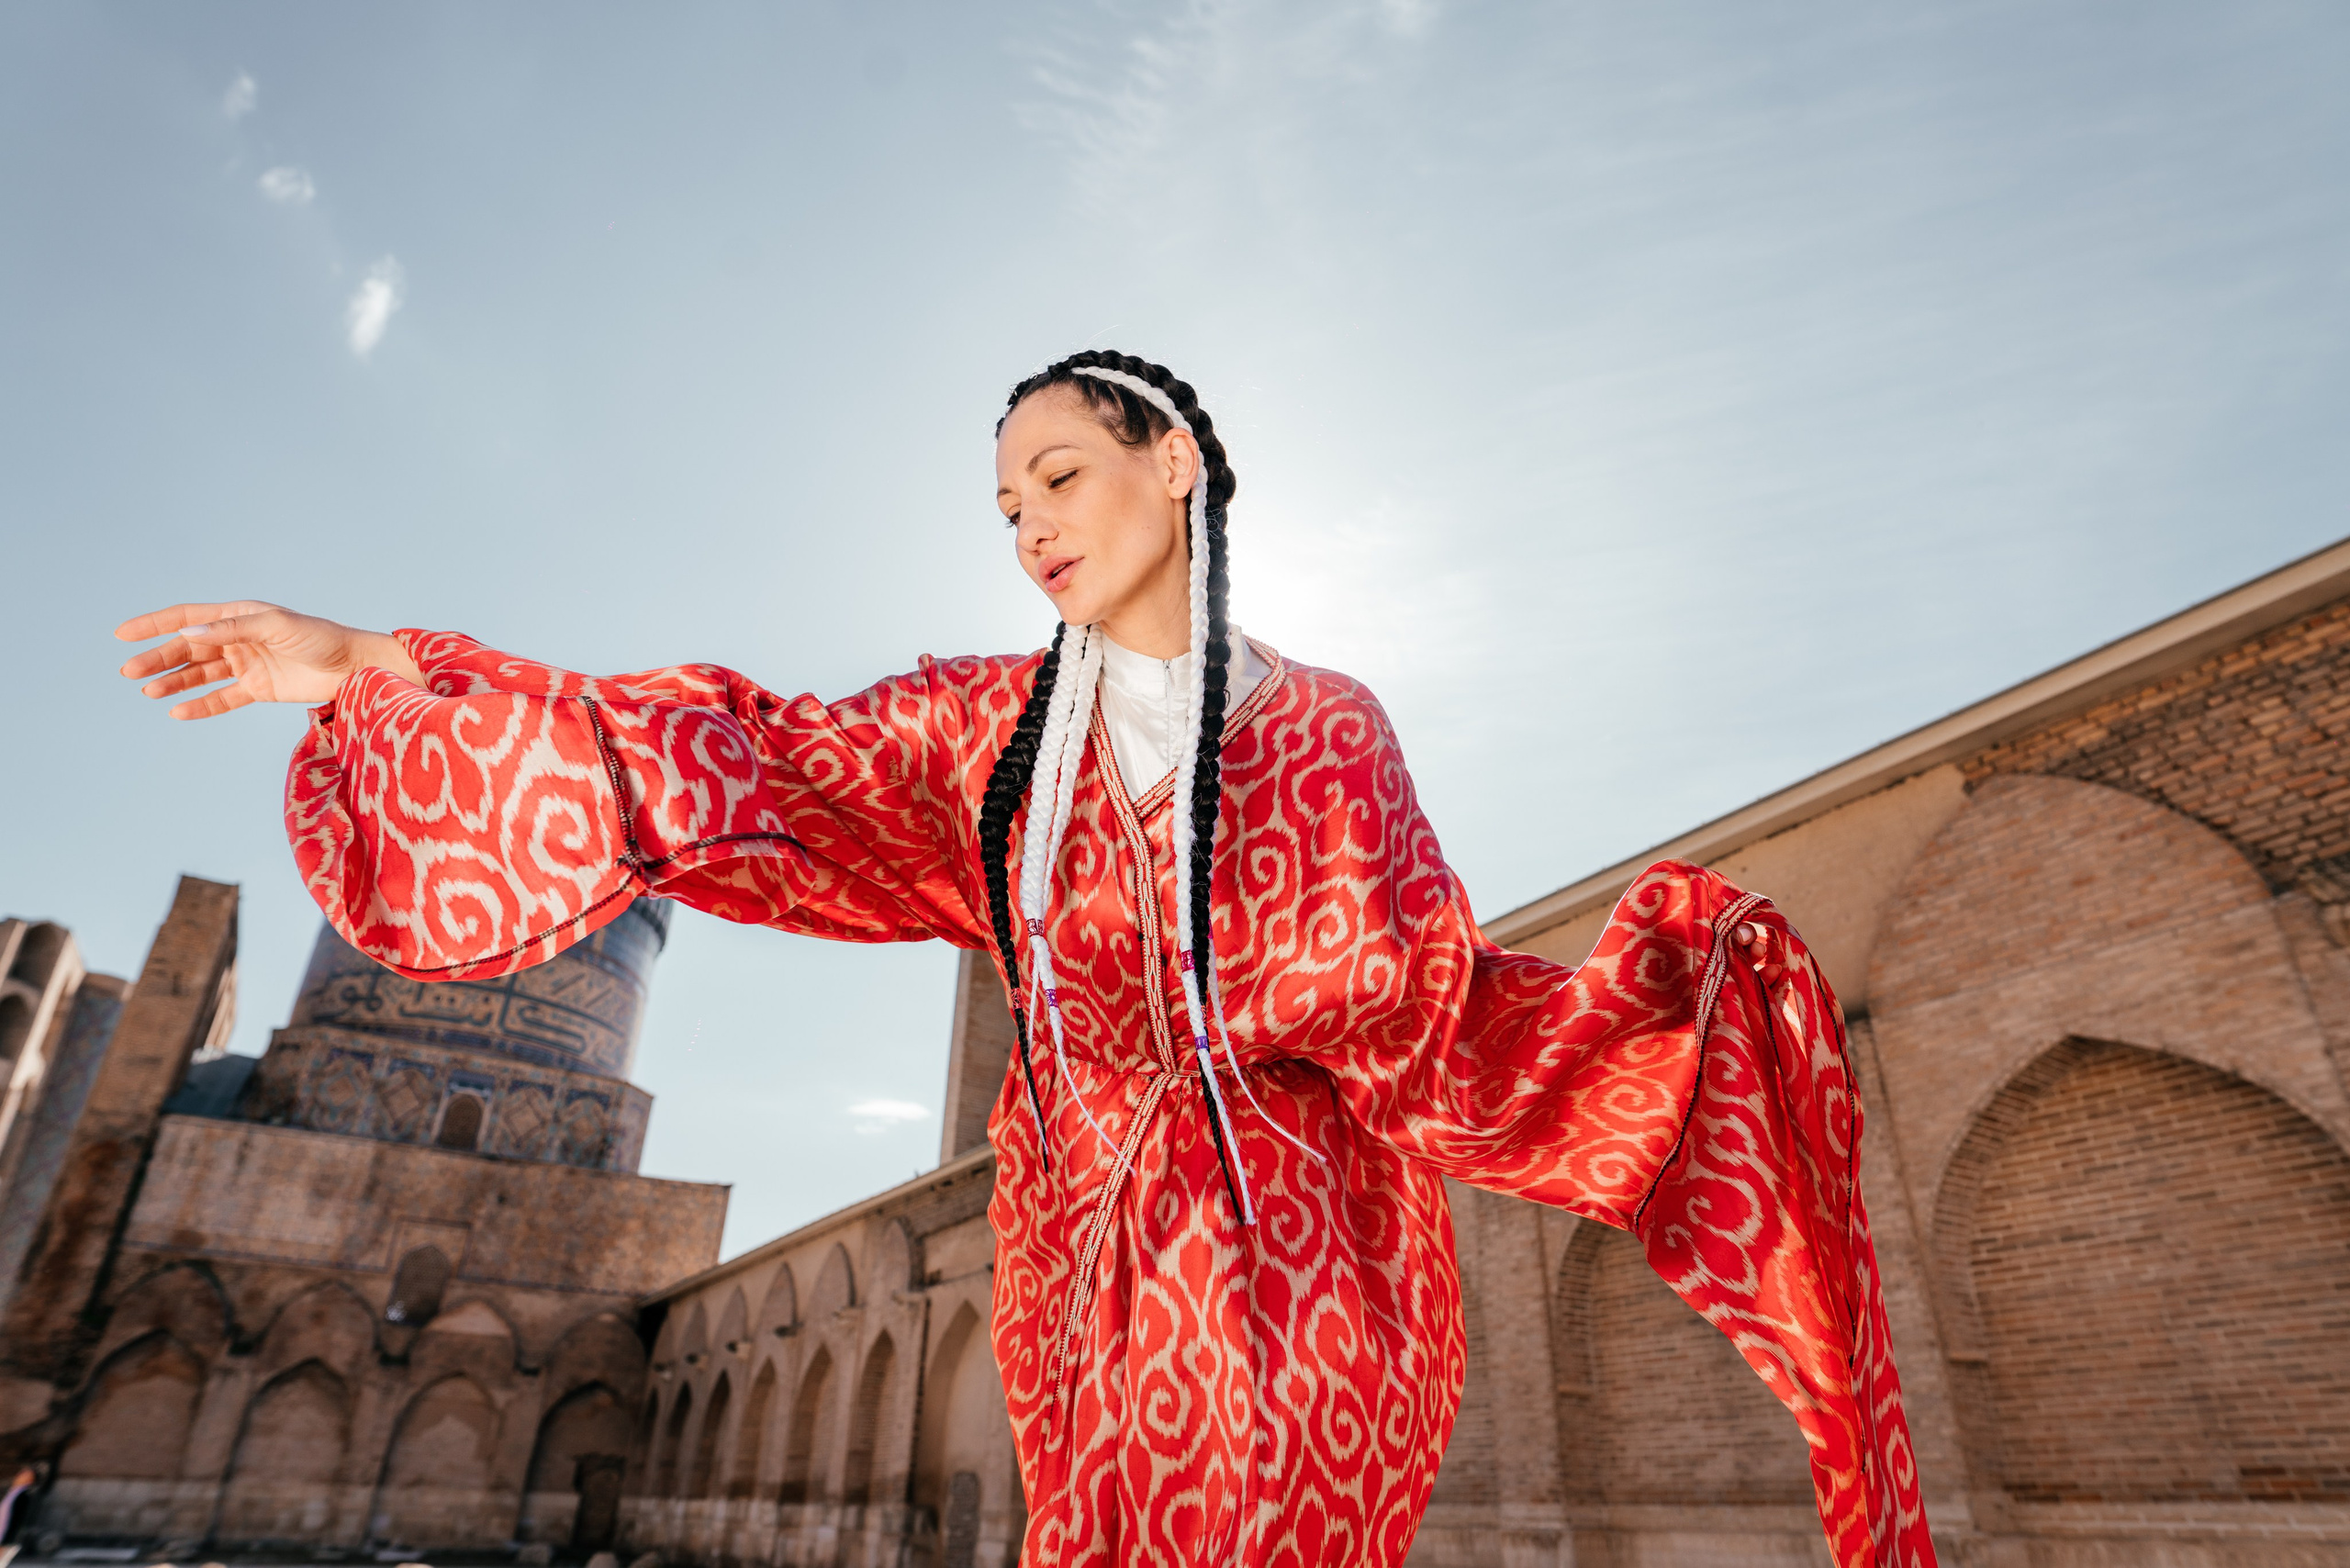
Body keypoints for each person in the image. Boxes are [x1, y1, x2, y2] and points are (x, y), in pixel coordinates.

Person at [116, 351, 1934, 1568]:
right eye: (1005, 505)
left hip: (1305, 1292)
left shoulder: (1319, 726)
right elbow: (747, 756)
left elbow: (1420, 1009)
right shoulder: (981, 729)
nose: (1034, 524)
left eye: (1059, 473)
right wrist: (370, 657)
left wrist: (1669, 1024)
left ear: (1177, 463)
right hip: (1087, 1294)